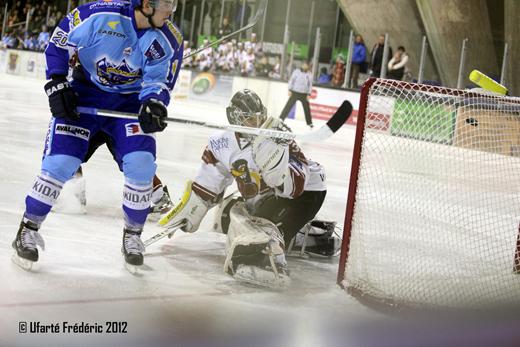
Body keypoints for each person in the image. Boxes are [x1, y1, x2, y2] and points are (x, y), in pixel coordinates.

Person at [12, 0, 183, 271]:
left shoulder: (168, 38)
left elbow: (159, 81)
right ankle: (28, 229)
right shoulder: (99, 14)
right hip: (86, 95)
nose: (172, 10)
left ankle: (133, 236)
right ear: (147, 5)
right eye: (168, 4)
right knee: (61, 164)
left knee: (141, 164)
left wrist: (154, 102)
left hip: (127, 105)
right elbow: (59, 43)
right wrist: (56, 82)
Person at [158, 89, 328, 288]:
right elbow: (210, 183)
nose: (256, 123)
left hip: (307, 193)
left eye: (259, 117)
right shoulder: (220, 142)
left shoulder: (278, 136)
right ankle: (307, 236)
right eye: (249, 119)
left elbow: (294, 190)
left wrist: (277, 165)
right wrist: (193, 209)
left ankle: (270, 257)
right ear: (234, 117)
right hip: (265, 198)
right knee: (229, 216)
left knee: (259, 228)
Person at [279, 62, 314, 128]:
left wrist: (309, 93)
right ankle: (281, 118)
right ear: (301, 65)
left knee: (307, 109)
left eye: (306, 65)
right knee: (288, 105)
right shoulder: (296, 72)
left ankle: (309, 123)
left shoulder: (309, 74)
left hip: (304, 94)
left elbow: (310, 85)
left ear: (308, 66)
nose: (304, 65)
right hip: (295, 92)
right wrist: (289, 89)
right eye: (303, 64)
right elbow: (291, 80)